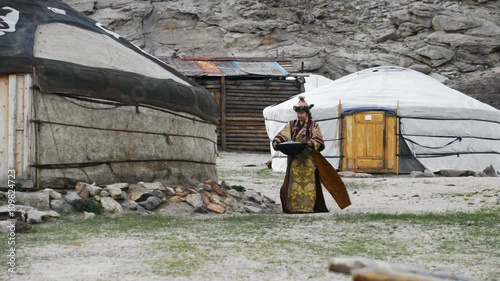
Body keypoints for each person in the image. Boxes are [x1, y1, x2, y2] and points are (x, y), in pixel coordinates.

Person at [272, 96, 329, 213]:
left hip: (308, 159)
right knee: (293, 182)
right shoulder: (292, 125)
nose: (299, 115)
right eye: (298, 113)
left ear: (307, 113)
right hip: (295, 159)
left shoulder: (314, 126)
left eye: (302, 112)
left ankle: (308, 207)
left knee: (309, 183)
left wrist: (310, 143)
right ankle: (294, 207)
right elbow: (283, 134)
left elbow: (318, 140)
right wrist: (277, 141)